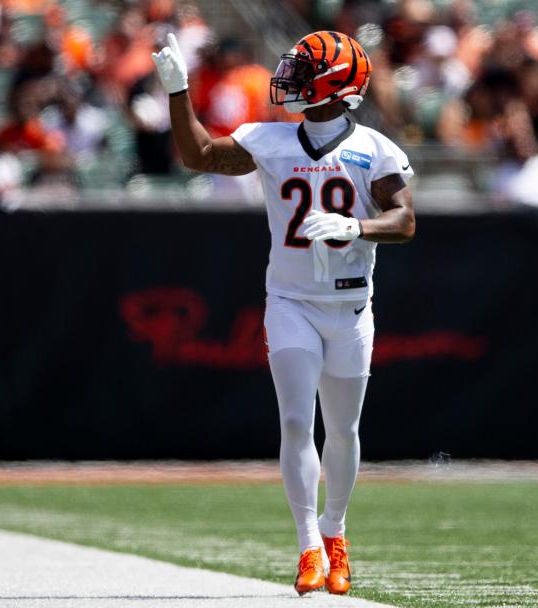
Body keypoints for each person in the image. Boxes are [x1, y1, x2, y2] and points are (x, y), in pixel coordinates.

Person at [151, 31, 416, 596]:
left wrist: (357, 226)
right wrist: (179, 92)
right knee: (297, 421)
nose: (290, 78)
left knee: (342, 430)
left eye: (304, 70)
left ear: (335, 85)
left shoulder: (374, 149)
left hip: (349, 307)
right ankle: (308, 547)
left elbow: (405, 220)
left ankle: (335, 531)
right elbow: (198, 155)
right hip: (290, 302)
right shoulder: (271, 140)